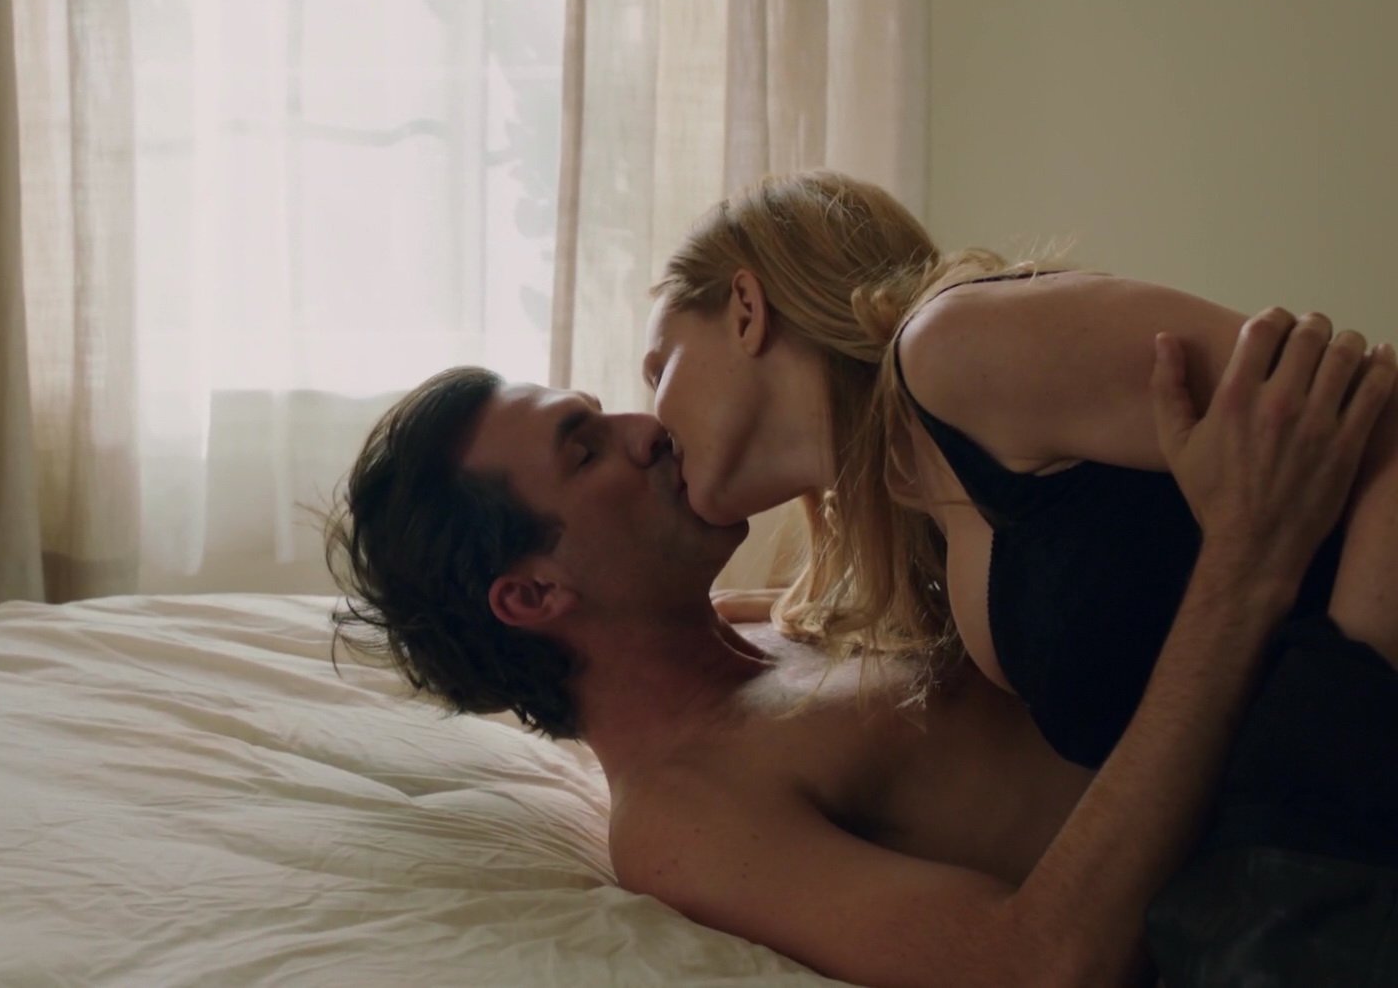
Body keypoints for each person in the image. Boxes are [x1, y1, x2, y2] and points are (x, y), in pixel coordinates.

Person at [322, 315, 1394, 985]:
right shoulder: (682, 814)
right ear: (533, 593)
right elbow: (1042, 961)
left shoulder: (769, 619)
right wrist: (1245, 566)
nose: (647, 431)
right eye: (586, 447)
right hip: (1318, 842)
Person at [638, 170, 1398, 982]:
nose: (649, 420)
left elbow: (1382, 420)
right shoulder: (930, 506)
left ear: (745, 310)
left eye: (658, 369)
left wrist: (1336, 737)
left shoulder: (954, 346)